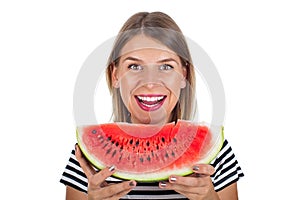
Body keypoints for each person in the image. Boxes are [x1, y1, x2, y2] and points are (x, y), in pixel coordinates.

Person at [60, 11, 244, 200]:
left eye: (166, 67)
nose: (150, 82)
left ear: (184, 75)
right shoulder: (85, 160)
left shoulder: (217, 153)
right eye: (134, 66)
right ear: (115, 75)